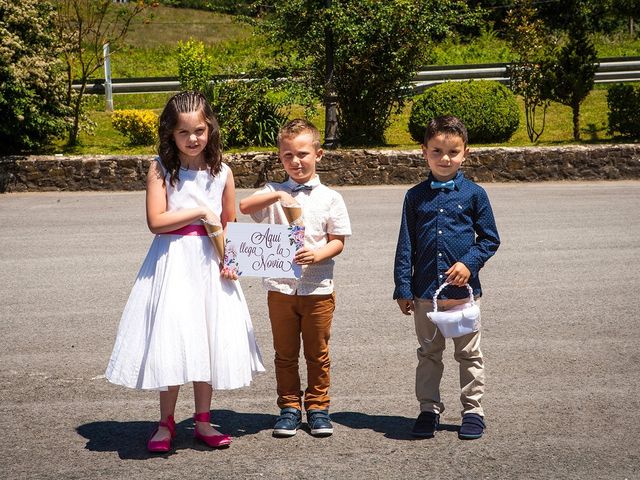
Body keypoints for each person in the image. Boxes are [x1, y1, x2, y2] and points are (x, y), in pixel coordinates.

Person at [105, 91, 264, 453]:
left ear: (210, 129)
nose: (193, 139)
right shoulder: (160, 168)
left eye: (200, 130)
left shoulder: (222, 171)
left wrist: (233, 260)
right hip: (173, 262)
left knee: (206, 337)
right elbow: (156, 221)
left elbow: (229, 222)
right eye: (183, 132)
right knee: (173, 338)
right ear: (170, 134)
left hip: (211, 264)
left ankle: (204, 420)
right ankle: (165, 421)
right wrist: (197, 212)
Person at [239, 119, 351, 438]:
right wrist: (278, 196)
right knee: (285, 353)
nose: (296, 161)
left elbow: (338, 240)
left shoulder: (331, 197)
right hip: (280, 289)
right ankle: (289, 407)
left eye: (302, 153)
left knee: (318, 352)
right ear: (280, 157)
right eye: (288, 155)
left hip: (318, 289)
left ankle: (317, 407)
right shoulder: (273, 191)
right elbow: (245, 206)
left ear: (319, 154)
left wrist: (318, 254)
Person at [393, 115, 500, 440]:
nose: (445, 158)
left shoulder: (475, 195)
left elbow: (490, 239)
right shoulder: (415, 196)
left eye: (452, 152)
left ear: (465, 152)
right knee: (428, 354)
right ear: (424, 151)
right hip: (426, 292)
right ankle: (428, 410)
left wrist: (469, 262)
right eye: (437, 151)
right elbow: (406, 243)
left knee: (469, 354)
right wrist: (403, 287)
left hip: (464, 295)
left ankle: (473, 411)